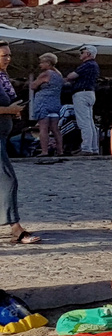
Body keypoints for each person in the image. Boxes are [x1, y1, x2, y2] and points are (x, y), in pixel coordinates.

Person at [0, 42, 42, 244]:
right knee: (8, 180)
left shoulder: (2, 77)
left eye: (9, 55)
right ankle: (15, 228)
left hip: (3, 135)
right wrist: (10, 110)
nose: (7, 59)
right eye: (3, 55)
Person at [62, 44, 100, 154]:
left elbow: (71, 76)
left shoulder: (87, 65)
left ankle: (86, 147)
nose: (80, 54)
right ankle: (94, 147)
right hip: (90, 93)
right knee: (90, 122)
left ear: (88, 54)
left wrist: (67, 79)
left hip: (81, 94)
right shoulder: (94, 65)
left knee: (84, 122)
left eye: (82, 52)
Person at [29, 52, 64, 156]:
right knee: (55, 128)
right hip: (55, 102)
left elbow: (33, 86)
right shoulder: (58, 74)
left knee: (43, 128)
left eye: (41, 63)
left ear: (48, 63)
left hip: (43, 102)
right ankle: (60, 150)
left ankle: (44, 151)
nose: (40, 65)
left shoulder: (45, 74)